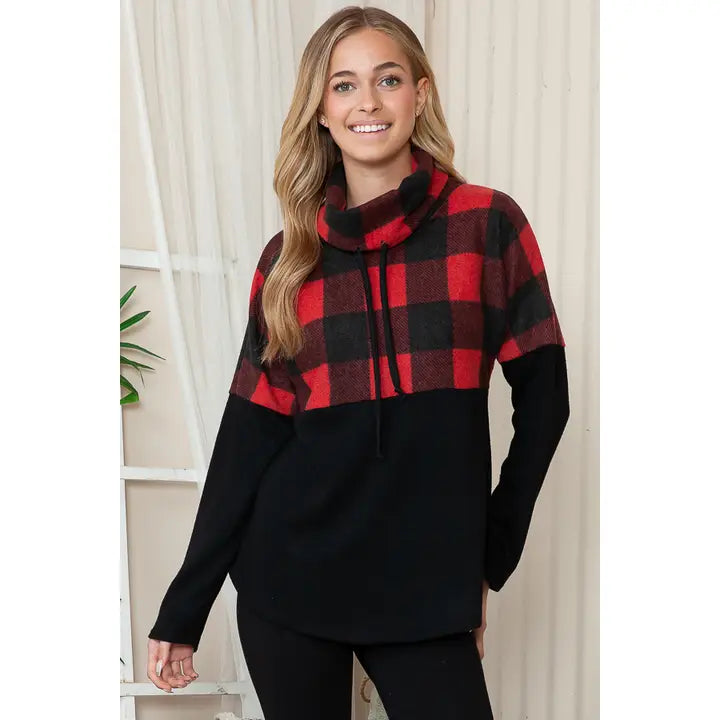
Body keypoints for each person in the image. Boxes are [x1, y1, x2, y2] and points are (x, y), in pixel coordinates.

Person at [146, 6, 570, 719]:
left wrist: (488, 552)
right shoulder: (288, 261)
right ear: (320, 110)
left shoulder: (485, 224)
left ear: (420, 94)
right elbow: (247, 442)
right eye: (343, 85)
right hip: (290, 579)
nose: (367, 102)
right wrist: (185, 606)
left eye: (388, 79)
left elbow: (547, 400)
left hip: (425, 587)